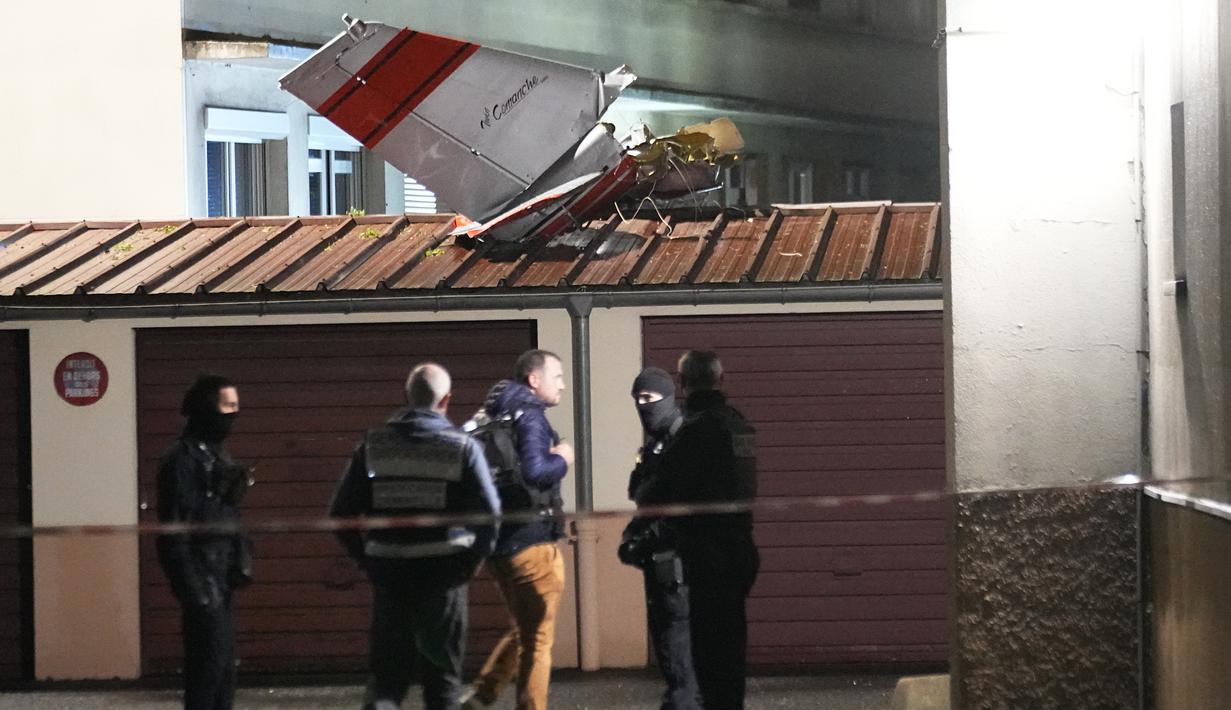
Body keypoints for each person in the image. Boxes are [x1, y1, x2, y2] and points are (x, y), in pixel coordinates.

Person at [330, 363, 501, 710]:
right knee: (442, 684)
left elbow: (340, 514)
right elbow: (492, 515)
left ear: (405, 396)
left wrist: (370, 558)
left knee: (386, 683)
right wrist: (470, 562)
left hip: (390, 577)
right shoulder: (463, 448)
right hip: (444, 579)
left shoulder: (372, 446)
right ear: (447, 399)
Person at [636, 351, 759, 710]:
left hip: (706, 555)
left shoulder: (693, 431)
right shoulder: (738, 424)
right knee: (732, 653)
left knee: (708, 658)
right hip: (739, 547)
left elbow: (657, 493)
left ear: (683, 384)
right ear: (720, 380)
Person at [461, 350, 574, 710]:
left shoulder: (487, 416)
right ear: (534, 380)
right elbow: (536, 472)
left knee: (525, 627)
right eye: (557, 377)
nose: (563, 384)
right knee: (538, 639)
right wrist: (564, 458)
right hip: (534, 542)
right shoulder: (531, 417)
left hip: (498, 545)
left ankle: (483, 694)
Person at [156, 374, 252, 710]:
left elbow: (228, 516)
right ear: (205, 409)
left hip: (222, 576)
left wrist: (241, 556)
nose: (233, 415)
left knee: (224, 673)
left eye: (236, 408)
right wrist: (192, 587)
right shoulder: (182, 460)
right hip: (201, 575)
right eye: (227, 407)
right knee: (206, 672)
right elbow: (172, 531)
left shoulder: (219, 456)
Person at [618, 367, 701, 710]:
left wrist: (648, 537)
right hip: (660, 565)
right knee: (670, 656)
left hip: (681, 567)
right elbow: (642, 497)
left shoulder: (686, 443)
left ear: (668, 398)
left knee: (682, 658)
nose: (643, 405)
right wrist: (633, 537)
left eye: (650, 399)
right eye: (638, 399)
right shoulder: (655, 446)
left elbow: (688, 509)